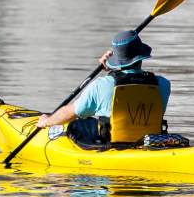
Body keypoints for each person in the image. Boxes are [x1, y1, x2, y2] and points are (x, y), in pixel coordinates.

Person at [28, 30, 172, 145]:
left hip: (113, 144)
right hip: (147, 142)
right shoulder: (163, 84)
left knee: (76, 123)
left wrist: (47, 121)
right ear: (141, 57)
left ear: (117, 60)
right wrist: (112, 69)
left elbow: (70, 112)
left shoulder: (101, 85)